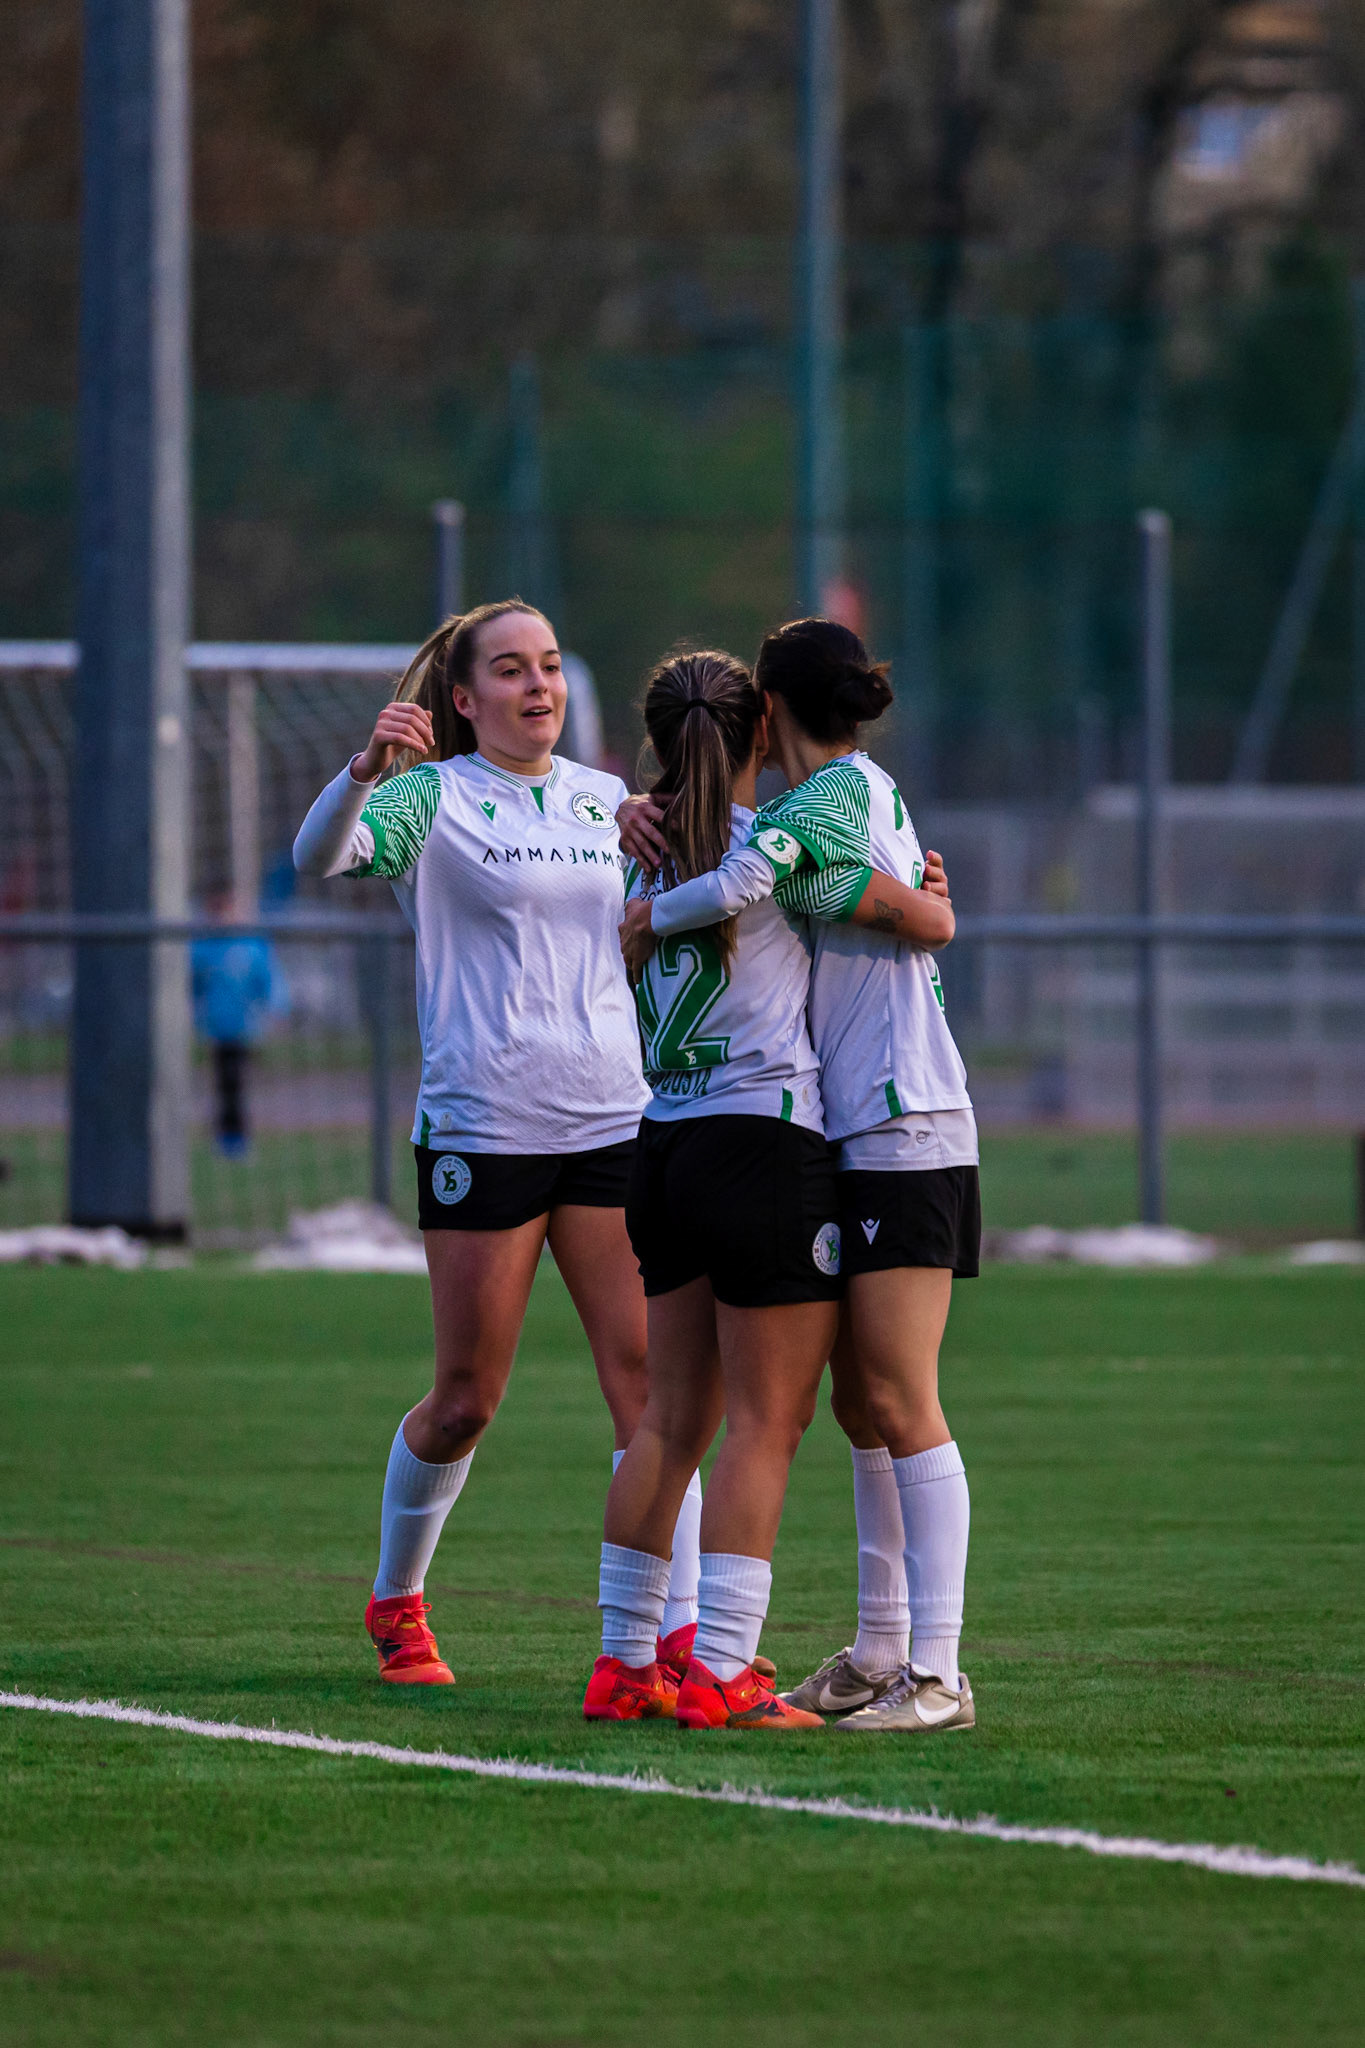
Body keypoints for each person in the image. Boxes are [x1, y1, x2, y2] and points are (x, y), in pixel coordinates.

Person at [293, 599, 703, 1689]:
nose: (539, 686)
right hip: (484, 1126)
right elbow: (317, 855)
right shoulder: (429, 793)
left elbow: (681, 906)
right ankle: (398, 1597)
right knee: (467, 1397)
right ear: (465, 699)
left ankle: (669, 1637)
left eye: (552, 665)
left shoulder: (606, 800)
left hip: (613, 1120)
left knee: (650, 1387)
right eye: (512, 669)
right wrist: (363, 771)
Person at [618, 616, 978, 1734]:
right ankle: (878, 1653)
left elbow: (804, 888)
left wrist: (646, 897)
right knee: (859, 1402)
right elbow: (904, 907)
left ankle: (937, 1675)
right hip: (839, 1126)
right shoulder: (824, 807)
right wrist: (926, 904)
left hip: (901, 1118)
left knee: (896, 1398)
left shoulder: (813, 810)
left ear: (769, 710)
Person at [191, 895, 286, 1157]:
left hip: (245, 1028)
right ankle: (227, 1137)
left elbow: (268, 980)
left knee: (236, 1081)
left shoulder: (250, 945)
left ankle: (236, 1137)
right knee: (224, 1082)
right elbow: (194, 983)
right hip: (217, 1027)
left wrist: (276, 1009)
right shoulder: (204, 947)